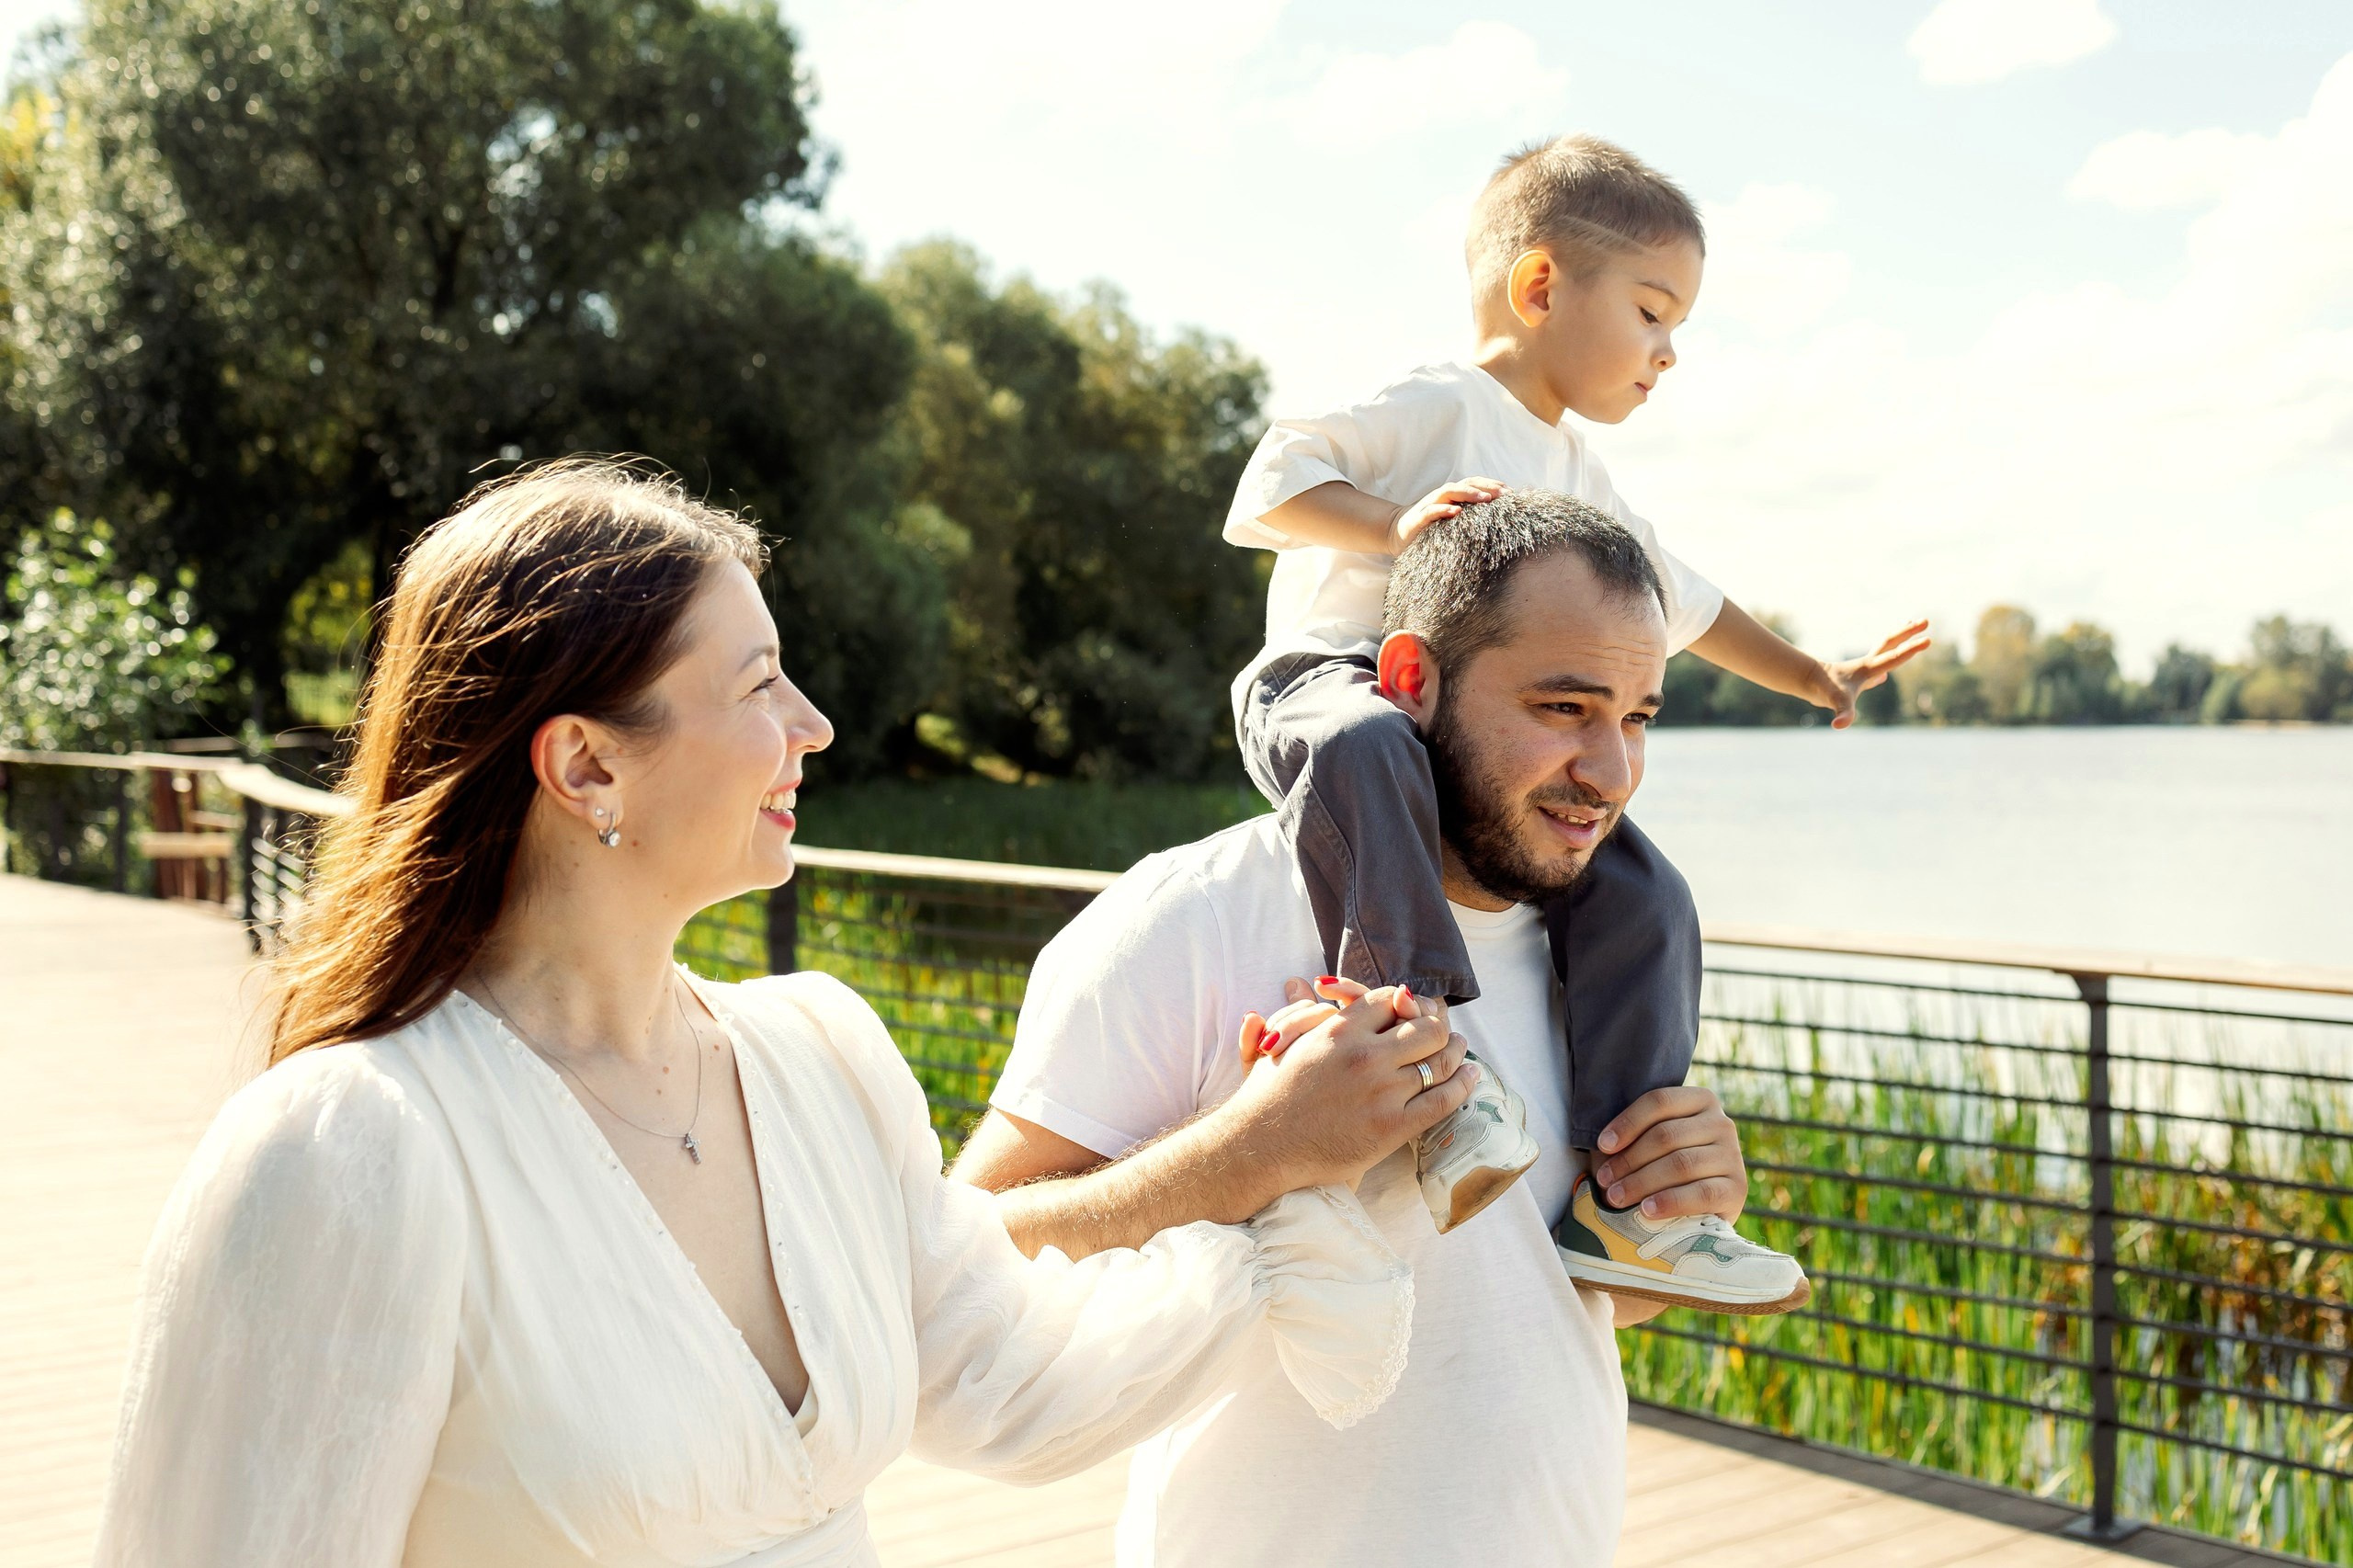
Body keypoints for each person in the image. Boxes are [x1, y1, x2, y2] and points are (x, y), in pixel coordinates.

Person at [93, 460, 1439, 1568]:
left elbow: (1011, 1384)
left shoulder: (819, 1056)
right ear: (586, 764)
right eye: (757, 684)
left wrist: (1277, 1156)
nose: (816, 723)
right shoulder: (350, 1146)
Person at [955, 490, 1784, 1568]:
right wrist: (1258, 1147)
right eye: (1563, 707)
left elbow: (1560, 1303)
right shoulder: (1193, 913)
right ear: (1408, 679)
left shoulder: (1607, 955)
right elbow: (969, 1261)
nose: (1612, 772)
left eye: (1636, 717)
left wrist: (1674, 1200)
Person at [1221, 132, 1927, 1300]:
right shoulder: (1438, 402)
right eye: (1652, 312)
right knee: (1366, 740)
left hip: (1460, 730)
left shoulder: (1578, 479)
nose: (1668, 352)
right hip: (1330, 685)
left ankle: (1627, 1199)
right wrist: (1393, 522)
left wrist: (1814, 676)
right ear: (1541, 284)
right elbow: (1269, 484)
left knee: (1646, 892)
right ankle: (1425, 1064)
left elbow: (1687, 601)